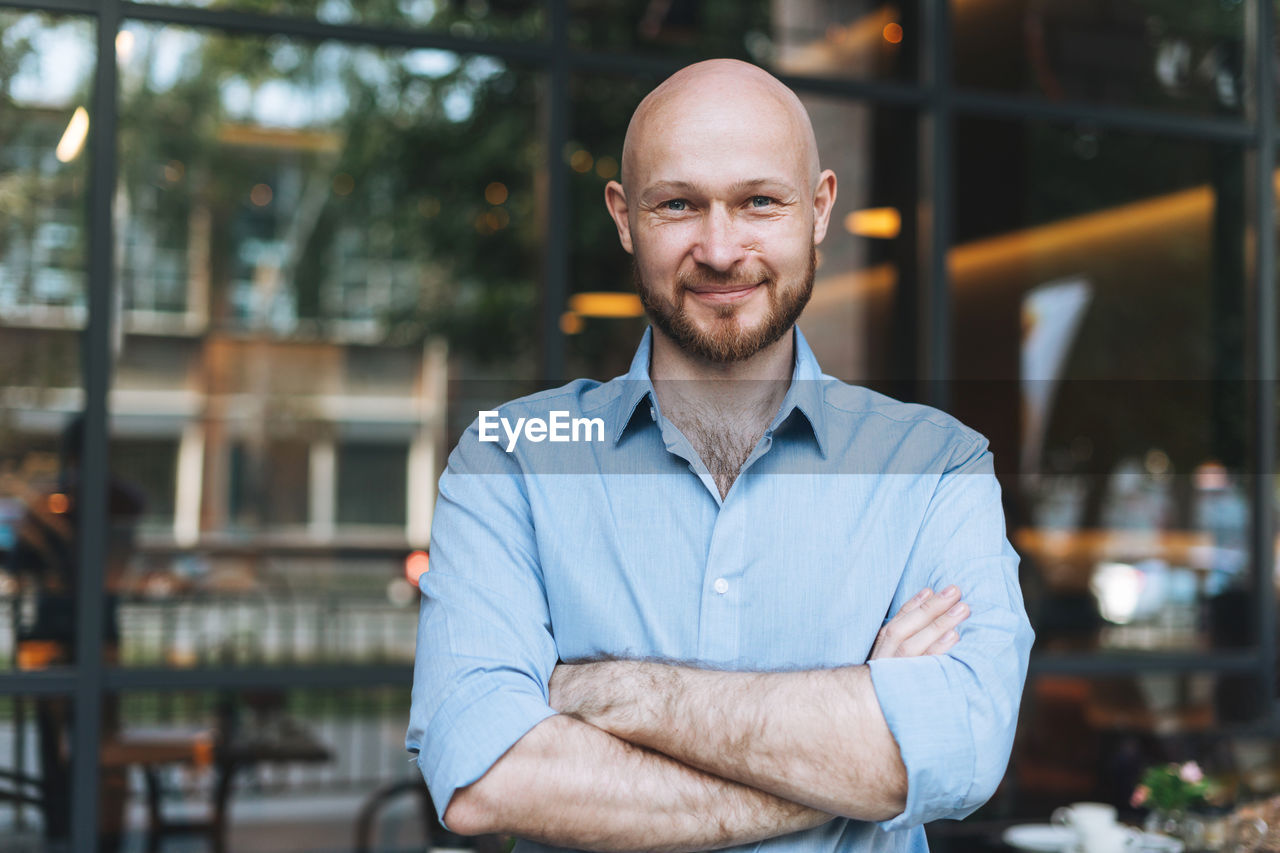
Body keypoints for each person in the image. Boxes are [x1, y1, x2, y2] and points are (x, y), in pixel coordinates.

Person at [407, 58, 1034, 851]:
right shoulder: (512, 462)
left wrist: (611, 692)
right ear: (625, 217)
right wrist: (856, 757)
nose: (720, 247)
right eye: (678, 204)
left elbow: (963, 750)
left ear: (818, 209)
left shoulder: (936, 466)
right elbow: (486, 777)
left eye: (759, 202)